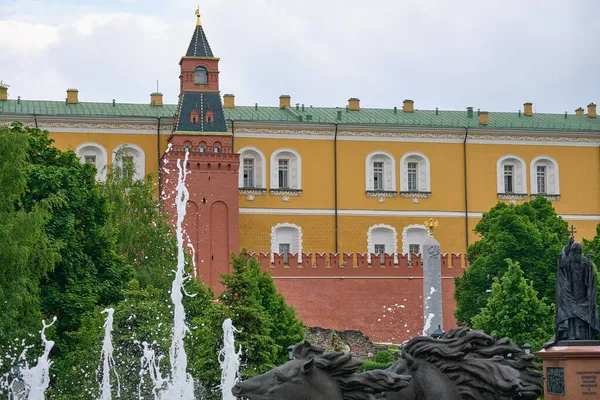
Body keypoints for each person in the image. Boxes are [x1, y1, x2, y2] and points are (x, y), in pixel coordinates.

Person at [552, 237, 599, 343]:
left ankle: (583, 335)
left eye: (578, 251)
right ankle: (570, 334)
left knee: (581, 311)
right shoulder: (567, 260)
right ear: (572, 250)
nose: (576, 253)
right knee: (570, 311)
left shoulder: (586, 262)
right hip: (569, 291)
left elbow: (590, 279)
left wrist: (590, 272)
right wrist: (566, 246)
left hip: (582, 293)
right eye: (574, 250)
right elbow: (561, 261)